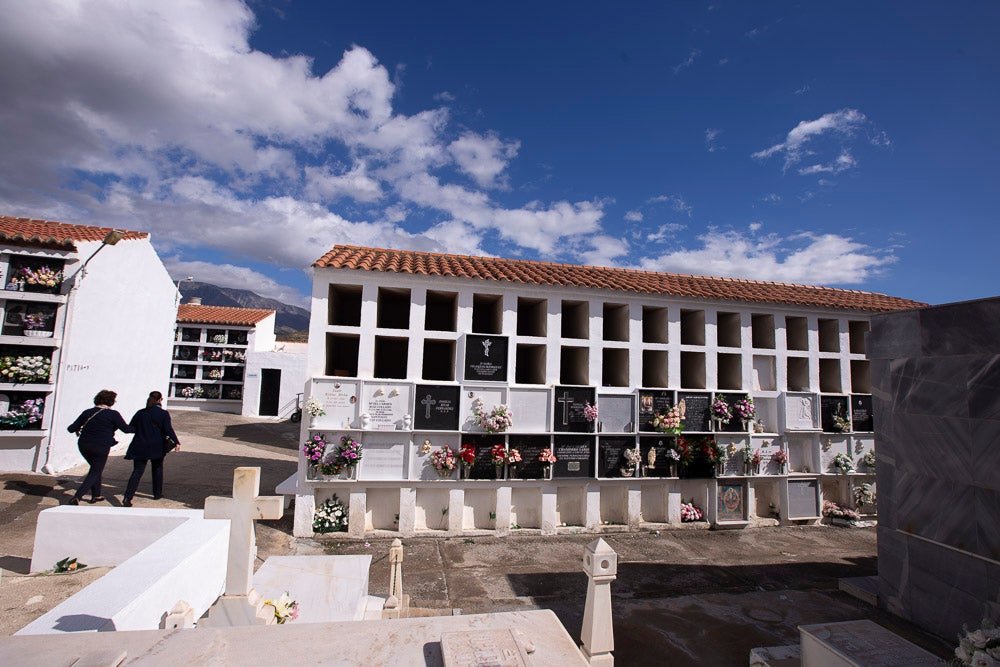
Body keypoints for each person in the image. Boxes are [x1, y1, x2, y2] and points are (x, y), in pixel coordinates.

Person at [66, 389, 133, 505]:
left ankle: (96, 495)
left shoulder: (87, 413)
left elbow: (71, 428)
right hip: (101, 446)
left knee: (95, 468)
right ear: (111, 401)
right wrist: (142, 427)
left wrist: (78, 428)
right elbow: (126, 429)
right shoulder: (113, 414)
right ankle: (77, 497)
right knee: (95, 470)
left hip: (84, 445)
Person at [122, 391, 180, 507]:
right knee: (157, 469)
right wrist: (176, 442)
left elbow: (131, 428)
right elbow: (168, 429)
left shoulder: (140, 413)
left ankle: (127, 497)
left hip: (140, 445)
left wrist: (142, 429)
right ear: (159, 400)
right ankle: (157, 493)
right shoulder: (163, 414)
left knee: (137, 472)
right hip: (157, 445)